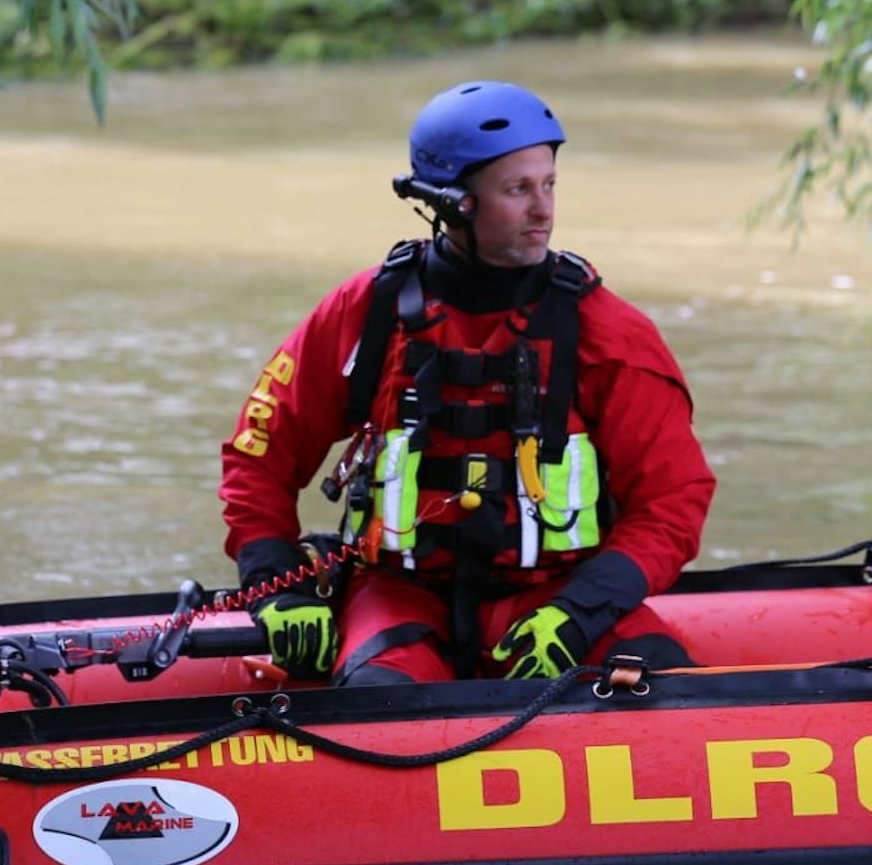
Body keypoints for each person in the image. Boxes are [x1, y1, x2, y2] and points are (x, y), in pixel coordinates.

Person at [218, 79, 715, 686]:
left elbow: (673, 501)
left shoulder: (610, 333)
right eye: (518, 190)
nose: (544, 210)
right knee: (378, 705)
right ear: (454, 202)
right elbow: (259, 455)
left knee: (669, 693)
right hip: (402, 596)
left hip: (559, 598)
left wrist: (579, 611)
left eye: (549, 184)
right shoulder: (365, 314)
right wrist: (277, 586)